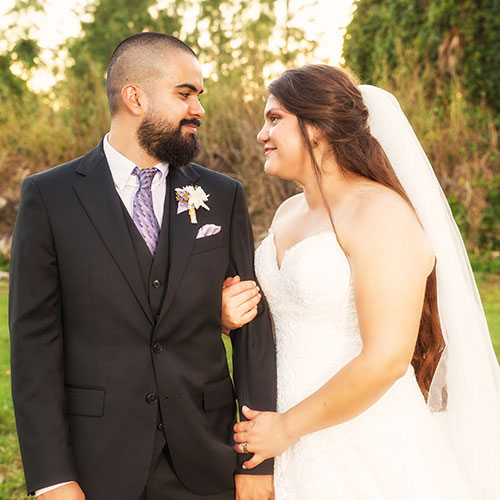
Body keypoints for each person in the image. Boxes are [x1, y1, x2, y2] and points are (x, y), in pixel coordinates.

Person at [9, 32, 276, 500]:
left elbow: (251, 328)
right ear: (135, 97)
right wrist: (52, 477)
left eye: (199, 96)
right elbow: (34, 345)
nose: (199, 109)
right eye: (185, 94)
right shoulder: (49, 197)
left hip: (206, 454)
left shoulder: (222, 195)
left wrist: (257, 462)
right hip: (96, 462)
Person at [222, 65, 500, 499]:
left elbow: (387, 359)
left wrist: (286, 428)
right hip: (281, 436)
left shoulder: (380, 214)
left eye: (274, 118)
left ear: (316, 128)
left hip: (357, 436)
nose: (262, 134)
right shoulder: (287, 214)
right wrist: (227, 311)